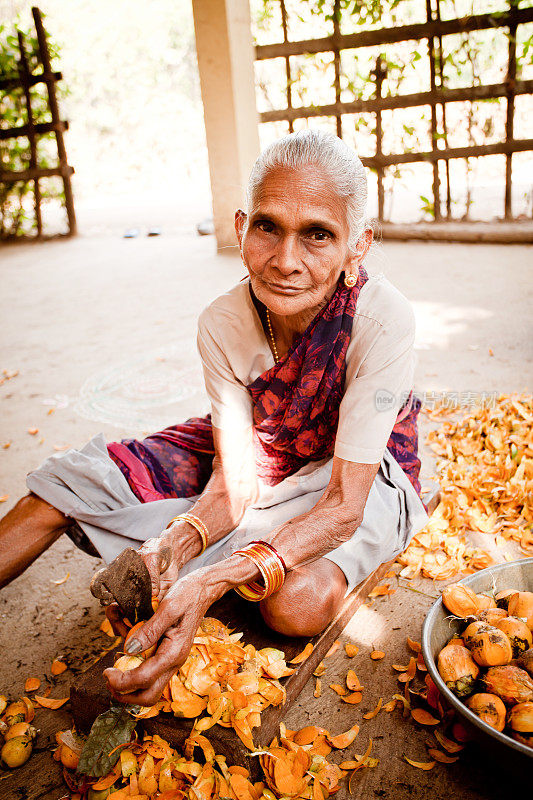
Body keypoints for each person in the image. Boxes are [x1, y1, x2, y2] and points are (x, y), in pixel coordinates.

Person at [0, 130, 428, 706]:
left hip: (360, 469)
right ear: (240, 226)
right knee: (61, 489)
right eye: (267, 226)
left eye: (318, 235)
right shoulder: (221, 323)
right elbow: (237, 481)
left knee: (294, 602)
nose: (285, 260)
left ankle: (220, 573)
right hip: (263, 446)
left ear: (359, 247)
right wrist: (179, 543)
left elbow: (345, 508)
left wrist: (208, 580)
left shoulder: (383, 320)